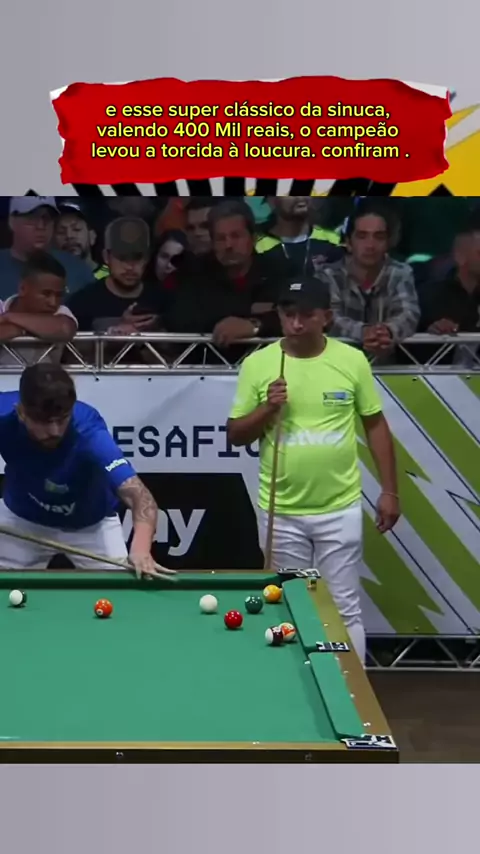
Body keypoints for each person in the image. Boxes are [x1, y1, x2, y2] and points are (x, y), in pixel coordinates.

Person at [226, 275, 400, 663]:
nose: (296, 323)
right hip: (280, 511)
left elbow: (375, 425)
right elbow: (236, 434)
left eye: (306, 315)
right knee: (289, 605)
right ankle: (294, 686)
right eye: (288, 314)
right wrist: (267, 408)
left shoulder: (351, 360)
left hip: (339, 507)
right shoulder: (259, 364)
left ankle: (350, 692)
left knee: (343, 608)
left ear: (327, 317)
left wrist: (390, 490)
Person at [0, 363, 174, 578]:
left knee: (122, 592)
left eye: (62, 419)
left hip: (92, 526)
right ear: (21, 412)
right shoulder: (3, 415)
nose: (54, 431)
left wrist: (141, 549)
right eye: (44, 422)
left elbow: (139, 496)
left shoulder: (89, 430)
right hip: (21, 520)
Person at [319, 203, 420, 360]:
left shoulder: (401, 272)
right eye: (362, 236)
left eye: (379, 237)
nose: (370, 245)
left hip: (386, 368)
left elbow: (409, 313)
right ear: (348, 243)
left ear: (388, 243)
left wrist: (387, 331)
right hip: (338, 365)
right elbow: (330, 317)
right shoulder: (328, 274)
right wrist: (364, 332)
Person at [0, 197, 94, 300]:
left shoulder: (77, 268)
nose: (41, 226)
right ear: (12, 221)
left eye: (47, 218)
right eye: (32, 218)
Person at [0, 251, 77, 366]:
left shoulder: (60, 312)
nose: (53, 302)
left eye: (58, 295)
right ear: (22, 288)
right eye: (46, 294)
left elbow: (65, 329)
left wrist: (9, 318)